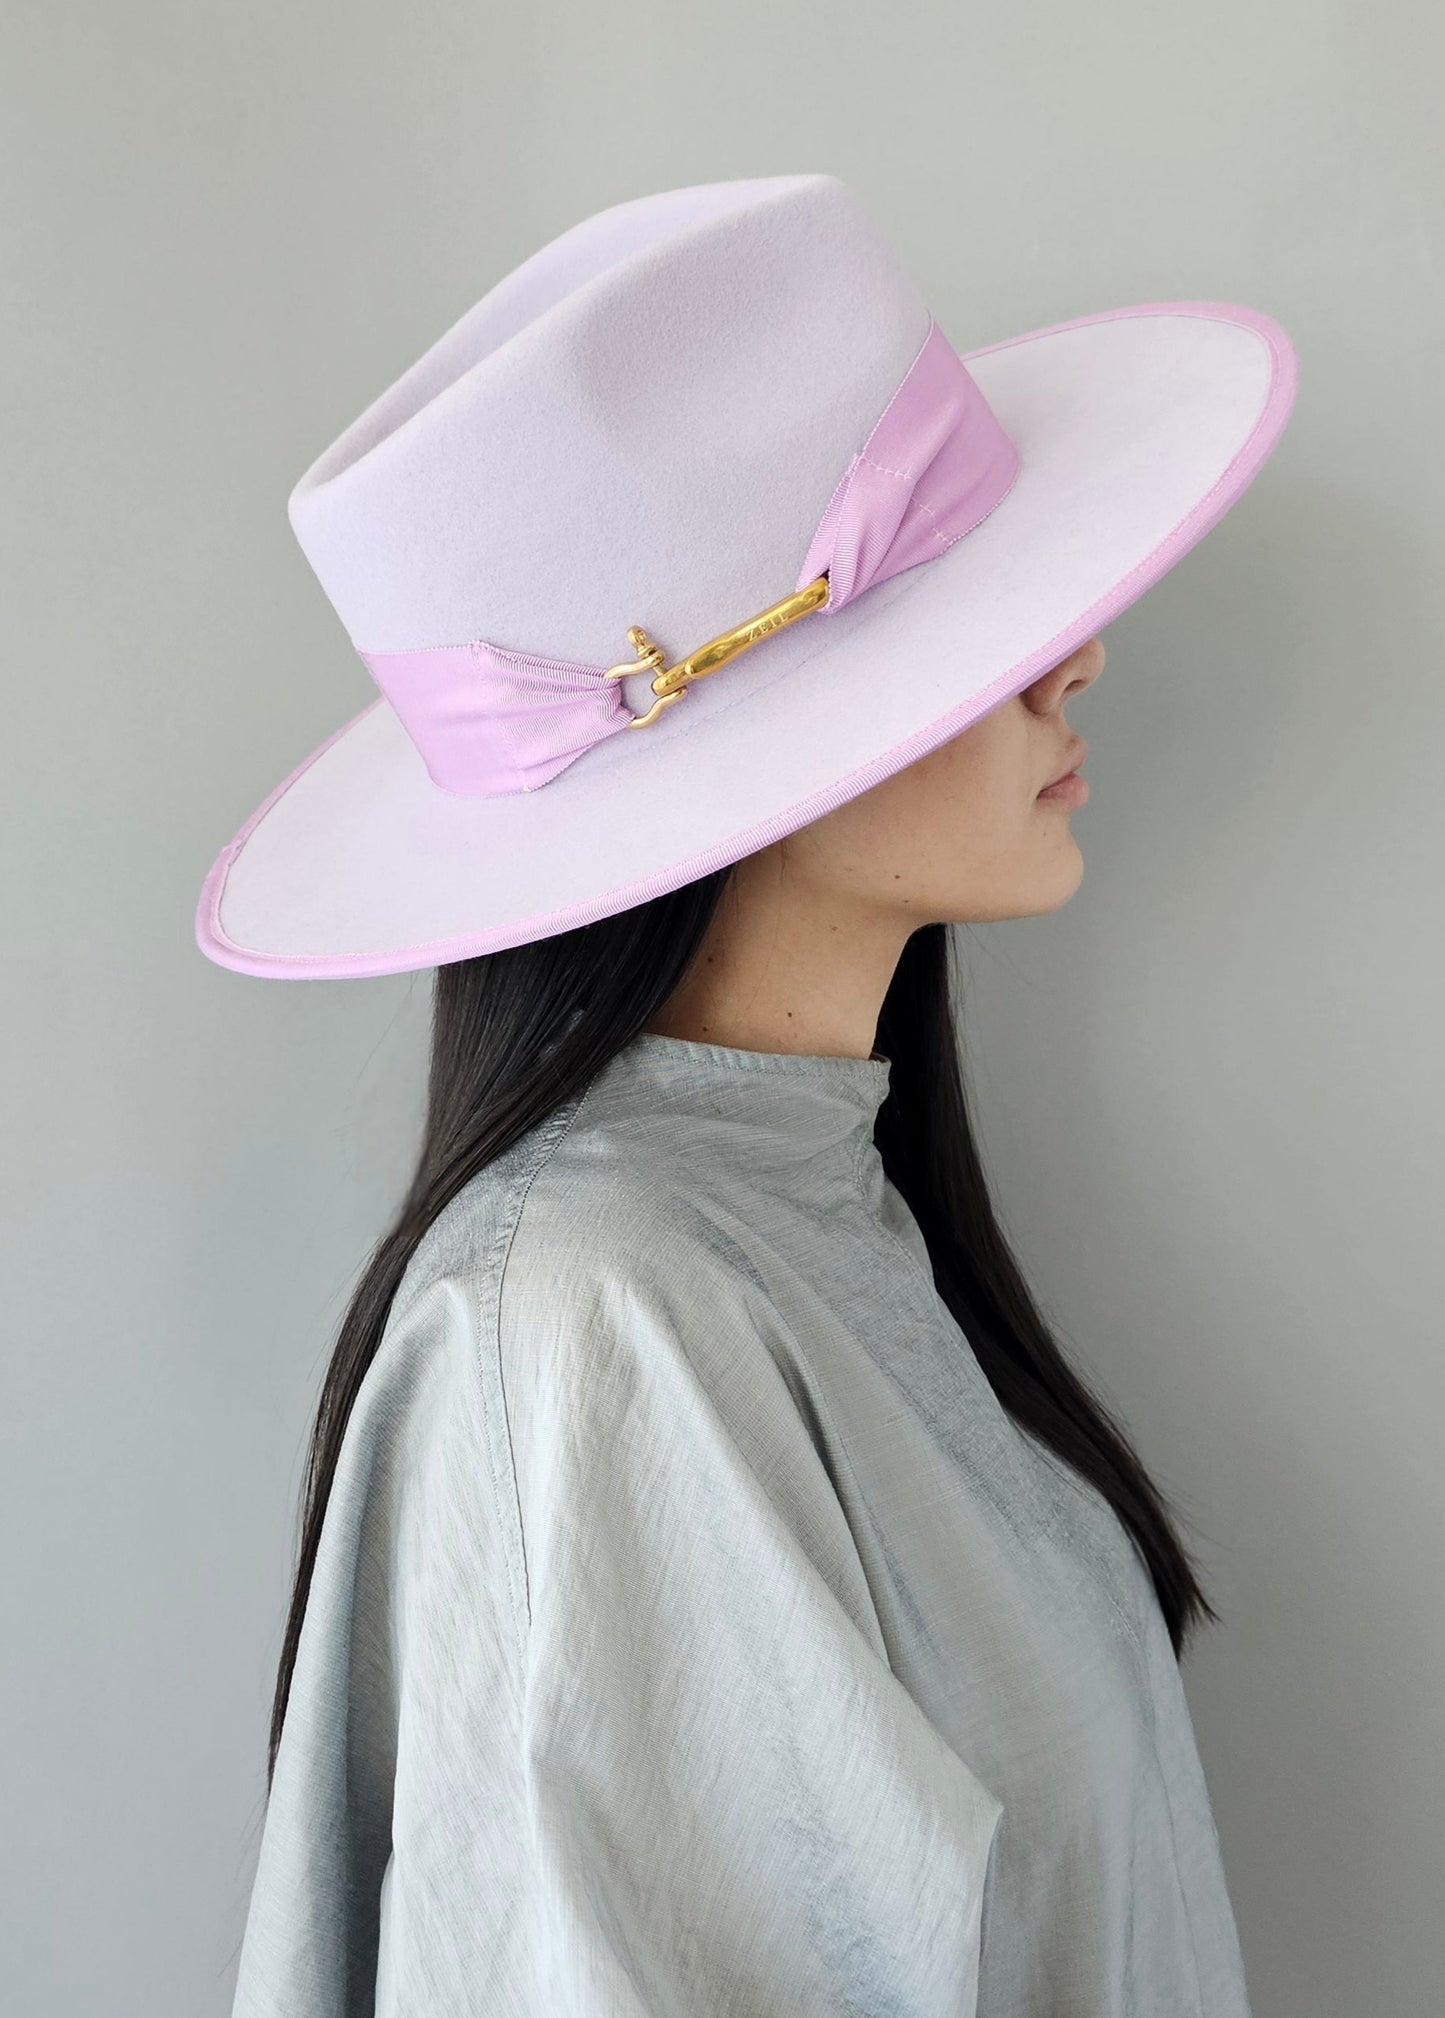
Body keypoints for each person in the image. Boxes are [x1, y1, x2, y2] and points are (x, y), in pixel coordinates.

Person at [197, 175, 1298, 2015]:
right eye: (956, 607)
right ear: (725, 723)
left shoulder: (797, 1212)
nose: (1080, 655)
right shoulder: (589, 1316)